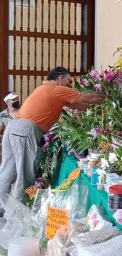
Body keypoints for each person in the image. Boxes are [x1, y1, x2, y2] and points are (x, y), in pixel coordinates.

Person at [0, 66, 106, 203]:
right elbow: (89, 98)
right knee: (24, 177)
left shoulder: (43, 89)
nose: (71, 85)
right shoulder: (58, 89)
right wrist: (109, 98)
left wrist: (98, 109)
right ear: (60, 78)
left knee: (6, 172)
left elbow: (77, 106)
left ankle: (3, 210)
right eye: (69, 82)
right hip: (25, 132)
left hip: (13, 127)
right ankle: (16, 219)